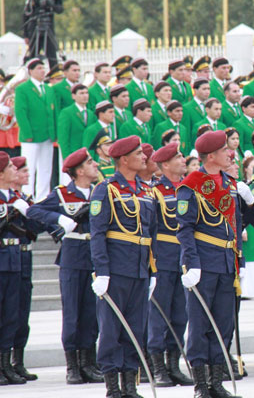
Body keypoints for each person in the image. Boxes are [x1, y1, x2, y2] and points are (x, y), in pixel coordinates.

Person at [176, 131, 246, 398]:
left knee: (223, 324)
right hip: (203, 263)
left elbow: (235, 222)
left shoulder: (229, 182)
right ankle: (201, 385)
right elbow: (184, 229)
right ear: (212, 155)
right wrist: (192, 263)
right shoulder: (191, 184)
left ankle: (217, 382)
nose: (231, 154)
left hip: (227, 262)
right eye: (226, 150)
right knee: (200, 325)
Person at [28, 148, 103, 385]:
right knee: (73, 314)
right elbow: (33, 210)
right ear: (79, 171)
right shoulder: (62, 194)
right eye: (90, 163)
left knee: (92, 315)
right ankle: (73, 365)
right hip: (72, 258)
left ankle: (88, 363)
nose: (96, 166)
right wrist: (60, 219)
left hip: (95, 258)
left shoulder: (99, 192)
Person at [89, 136, 157, 398]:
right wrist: (102, 271)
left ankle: (130, 385)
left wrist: (153, 271)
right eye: (139, 153)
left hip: (140, 269)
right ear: (124, 159)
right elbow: (98, 233)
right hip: (116, 269)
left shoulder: (146, 189)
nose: (144, 157)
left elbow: (151, 233)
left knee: (135, 328)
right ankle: (113, 387)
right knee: (111, 330)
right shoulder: (106, 189)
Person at [146, 143, 193, 387]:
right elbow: (151, 228)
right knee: (159, 313)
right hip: (163, 257)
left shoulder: (188, 188)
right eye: (177, 158)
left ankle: (174, 365)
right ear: (165, 165)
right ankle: (157, 367)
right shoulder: (155, 192)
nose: (183, 160)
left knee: (180, 313)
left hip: (184, 256)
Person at [0, 152, 32, 385]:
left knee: (12, 316)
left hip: (14, 260)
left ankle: (6, 365)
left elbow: (35, 227)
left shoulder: (16, 198)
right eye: (11, 166)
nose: (15, 170)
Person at [9, 156, 41, 382]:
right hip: (8, 257)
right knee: (8, 313)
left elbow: (36, 228)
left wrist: (29, 212)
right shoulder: (7, 201)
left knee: (21, 313)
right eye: (23, 171)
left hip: (23, 257)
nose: (27, 175)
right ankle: (5, 364)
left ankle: (17, 362)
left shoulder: (24, 199)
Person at [14, 58, 57, 202]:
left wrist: (54, 132)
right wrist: (27, 133)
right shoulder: (22, 88)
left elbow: (53, 111)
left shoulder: (48, 89)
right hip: (31, 135)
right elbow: (21, 111)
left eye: (43, 68)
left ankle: (43, 197)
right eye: (39, 68)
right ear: (31, 71)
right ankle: (27, 196)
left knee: (45, 167)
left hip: (47, 134)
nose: (42, 71)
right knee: (29, 168)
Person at [57, 84, 97, 184]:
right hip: (72, 152)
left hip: (86, 154)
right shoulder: (67, 112)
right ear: (73, 96)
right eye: (81, 93)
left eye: (86, 93)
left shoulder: (91, 113)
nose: (85, 96)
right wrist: (66, 157)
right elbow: (63, 137)